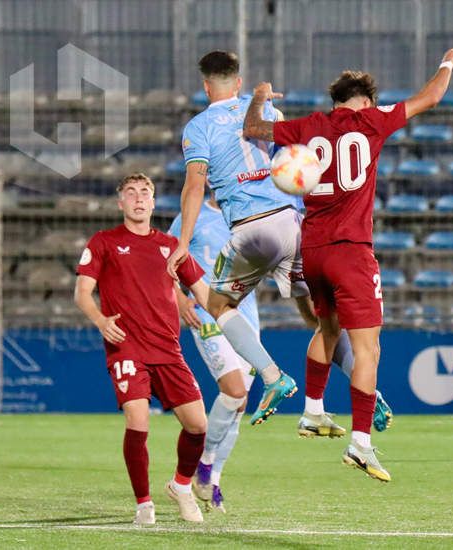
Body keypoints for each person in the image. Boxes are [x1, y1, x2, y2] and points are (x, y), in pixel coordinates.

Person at [243, 47, 453, 482]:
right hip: (352, 249)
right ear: (365, 101)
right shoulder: (372, 121)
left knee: (327, 330)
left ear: (334, 101)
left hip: (313, 248)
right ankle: (361, 445)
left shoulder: (309, 126)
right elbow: (431, 98)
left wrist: (259, 95)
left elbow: (253, 128)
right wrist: (446, 63)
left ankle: (312, 411)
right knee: (369, 349)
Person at [167, 50, 393, 438]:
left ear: (206, 86)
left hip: (252, 231)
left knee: (218, 303)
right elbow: (297, 160)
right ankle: (366, 386)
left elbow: (194, 186)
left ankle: (273, 377)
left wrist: (183, 241)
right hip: (293, 224)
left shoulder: (198, 127)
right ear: (238, 83)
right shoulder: (268, 113)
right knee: (321, 318)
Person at [73, 173, 208, 525]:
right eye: (130, 193)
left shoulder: (171, 245)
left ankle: (181, 486)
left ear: (152, 202)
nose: (138, 198)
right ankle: (144, 504)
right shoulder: (104, 242)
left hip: (168, 348)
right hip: (126, 346)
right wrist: (102, 321)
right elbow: (82, 293)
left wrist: (233, 300)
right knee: (138, 419)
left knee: (198, 426)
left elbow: (205, 293)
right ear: (121, 203)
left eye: (144, 192)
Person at [168, 194, 260, 514]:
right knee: (233, 391)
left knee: (240, 404)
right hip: (208, 313)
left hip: (247, 316)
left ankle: (213, 478)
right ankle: (204, 463)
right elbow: (165, 260)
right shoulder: (190, 216)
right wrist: (179, 299)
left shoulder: (252, 212)